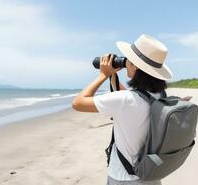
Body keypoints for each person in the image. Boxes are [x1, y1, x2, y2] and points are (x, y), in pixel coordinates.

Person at [72, 34, 173, 185]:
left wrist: (103, 75)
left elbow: (78, 103)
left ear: (136, 66)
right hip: (151, 175)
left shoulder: (125, 101)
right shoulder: (160, 95)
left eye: (129, 60)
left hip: (124, 178)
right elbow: (133, 97)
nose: (126, 62)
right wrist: (113, 76)